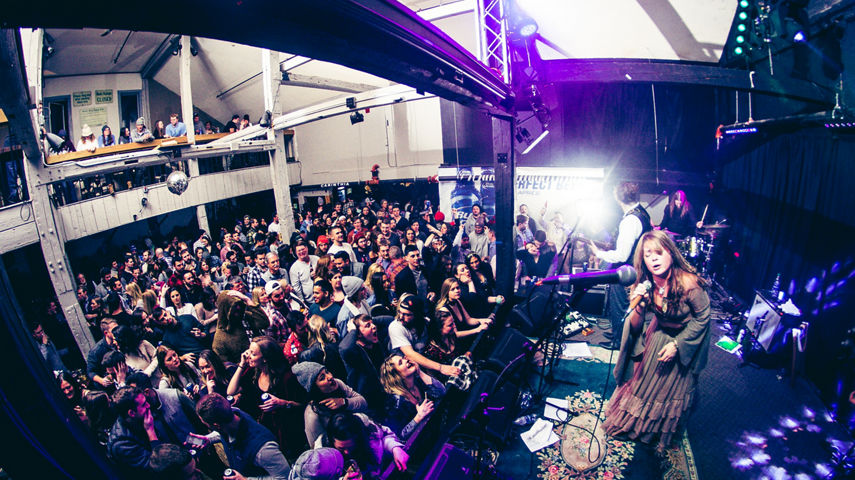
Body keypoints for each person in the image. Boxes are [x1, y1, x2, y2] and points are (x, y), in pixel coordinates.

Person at [603, 230, 710, 449]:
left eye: (658, 253)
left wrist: (678, 345)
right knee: (640, 386)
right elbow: (634, 327)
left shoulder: (689, 283)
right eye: (647, 254)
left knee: (666, 392)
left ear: (671, 253)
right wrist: (638, 307)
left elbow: (703, 317)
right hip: (658, 334)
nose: (653, 258)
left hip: (683, 339)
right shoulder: (645, 283)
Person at [588, 182, 652, 349]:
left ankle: (618, 341)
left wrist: (598, 253)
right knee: (624, 305)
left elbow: (622, 255)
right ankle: (618, 332)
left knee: (620, 304)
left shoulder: (630, 220)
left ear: (618, 198)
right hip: (638, 267)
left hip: (628, 271)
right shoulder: (642, 213)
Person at [226, 336, 307, 457]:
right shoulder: (253, 372)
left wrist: (282, 403)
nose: (248, 356)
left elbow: (303, 405)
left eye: (253, 354)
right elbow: (231, 391)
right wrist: (242, 364)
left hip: (288, 429)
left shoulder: (286, 377)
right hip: (265, 428)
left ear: (265, 359)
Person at [196, 393, 291, 480]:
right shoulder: (232, 414)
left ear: (216, 425)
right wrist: (208, 439)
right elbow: (223, 433)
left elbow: (285, 477)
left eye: (207, 425)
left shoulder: (263, 450)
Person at [292, 361, 368, 445]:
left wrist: (344, 402)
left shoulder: (337, 384)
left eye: (327, 372)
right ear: (315, 389)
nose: (330, 377)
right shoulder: (312, 414)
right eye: (322, 378)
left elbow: (363, 403)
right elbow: (317, 447)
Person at [317, 412, 408, 478]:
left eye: (351, 446)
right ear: (331, 441)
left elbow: (384, 435)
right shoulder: (322, 455)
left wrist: (395, 448)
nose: (347, 452)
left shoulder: (369, 429)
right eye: (341, 448)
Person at [387, 295, 460, 378]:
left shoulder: (425, 322)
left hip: (426, 366)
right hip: (405, 372)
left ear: (417, 315)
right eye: (400, 312)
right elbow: (410, 354)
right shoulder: (395, 327)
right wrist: (441, 367)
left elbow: (445, 333)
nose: (401, 317)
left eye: (407, 315)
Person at [380, 353, 444, 440]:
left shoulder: (417, 380)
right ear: (396, 376)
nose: (406, 360)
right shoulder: (396, 402)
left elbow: (441, 391)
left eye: (403, 358)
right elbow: (401, 436)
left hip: (439, 430)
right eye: (400, 362)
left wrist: (419, 372)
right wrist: (419, 417)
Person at [339, 314, 387, 415]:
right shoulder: (355, 352)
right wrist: (353, 330)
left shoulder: (376, 343)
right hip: (371, 404)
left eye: (372, 323)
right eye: (367, 325)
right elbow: (344, 348)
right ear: (358, 334)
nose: (374, 326)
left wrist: (371, 320)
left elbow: (390, 320)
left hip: (386, 394)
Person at [298, 315, 347, 380]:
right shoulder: (337, 346)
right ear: (326, 328)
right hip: (341, 383)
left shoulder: (305, 355)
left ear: (309, 332)